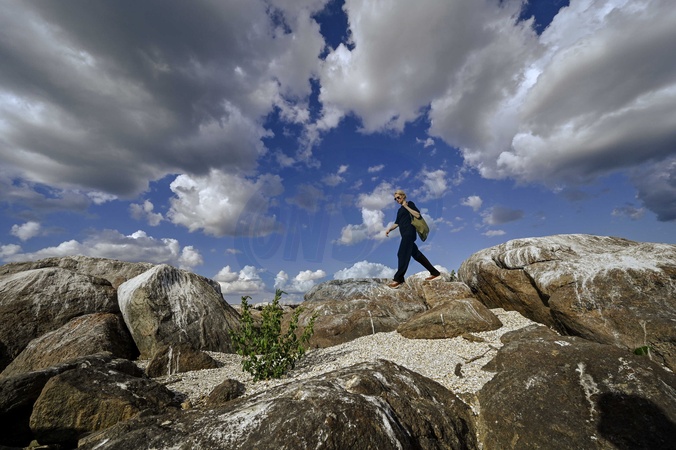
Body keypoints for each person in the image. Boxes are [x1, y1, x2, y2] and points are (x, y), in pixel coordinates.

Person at [385, 189, 441, 288]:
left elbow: (417, 215)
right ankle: (435, 272)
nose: (397, 200)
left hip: (409, 233)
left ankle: (399, 279)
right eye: (395, 199)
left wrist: (406, 206)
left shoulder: (410, 204)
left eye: (398, 197)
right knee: (416, 255)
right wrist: (389, 229)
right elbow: (397, 223)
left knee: (402, 253)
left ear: (403, 196)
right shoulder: (399, 210)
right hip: (404, 235)